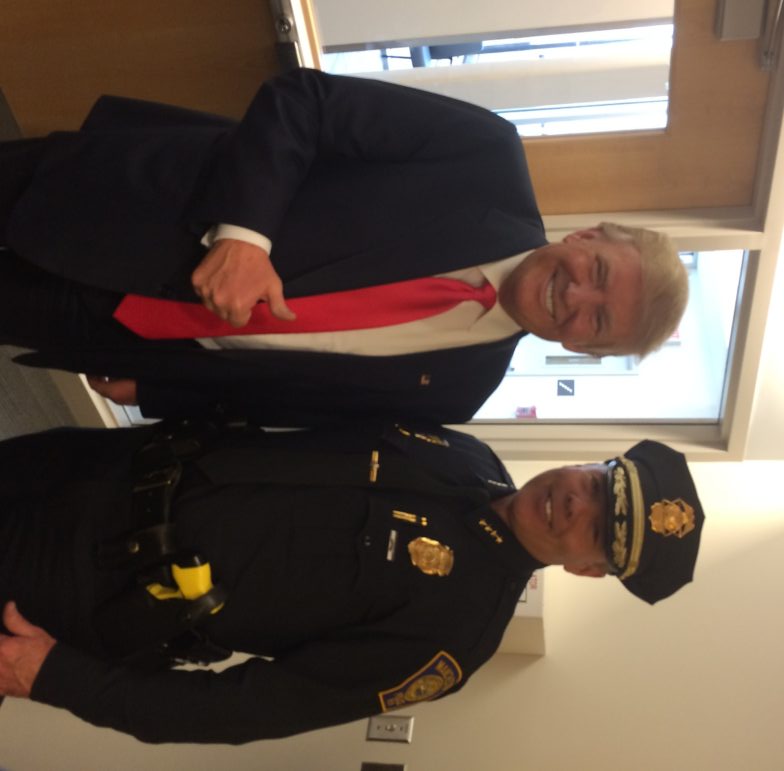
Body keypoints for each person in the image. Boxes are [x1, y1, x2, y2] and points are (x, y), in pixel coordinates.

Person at [0, 68, 687, 425]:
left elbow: (291, 402)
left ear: (582, 349)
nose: (577, 295)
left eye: (598, 319)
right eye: (597, 272)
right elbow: (306, 103)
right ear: (588, 236)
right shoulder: (483, 157)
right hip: (122, 209)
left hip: (124, 335)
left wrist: (159, 389)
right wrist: (245, 237)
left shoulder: (459, 389)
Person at [0, 419, 704, 743]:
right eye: (598, 483)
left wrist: (61, 678)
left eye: (597, 531)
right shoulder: (463, 452)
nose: (575, 502)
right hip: (97, 464)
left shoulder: (453, 638)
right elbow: (298, 407)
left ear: (586, 567)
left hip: (83, 584)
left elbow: (245, 710)